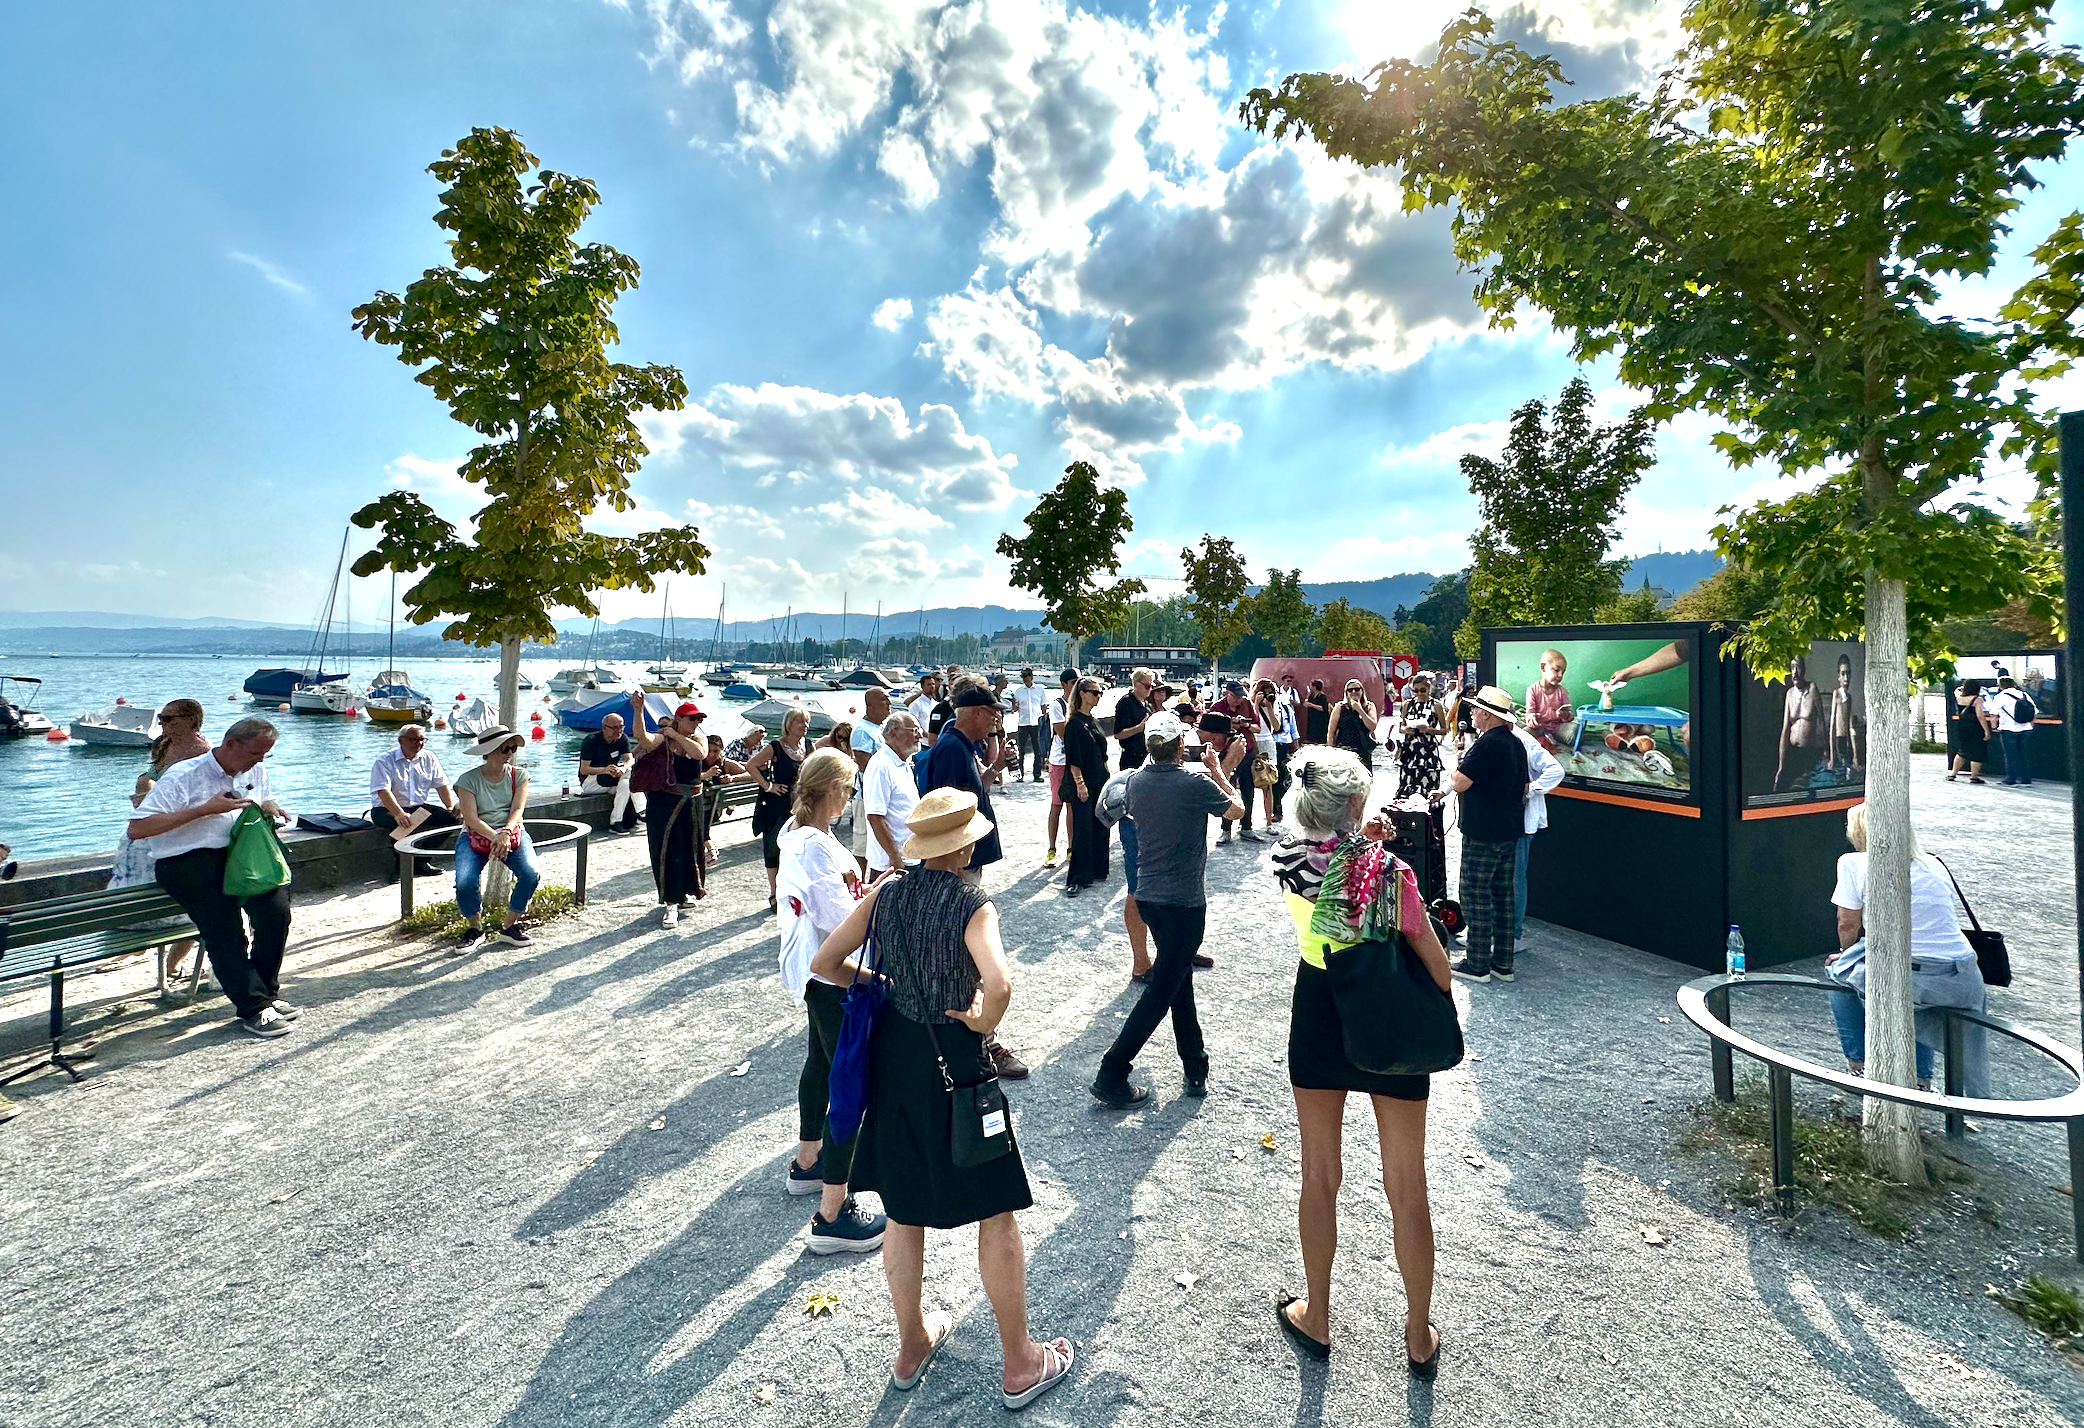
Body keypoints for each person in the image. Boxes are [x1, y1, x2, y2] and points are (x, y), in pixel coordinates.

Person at [810, 791, 1073, 1411]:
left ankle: (912, 1344)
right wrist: (982, 1022)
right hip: (955, 1058)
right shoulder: (972, 904)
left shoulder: (887, 893)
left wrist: (880, 983)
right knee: (996, 1207)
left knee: (903, 1211)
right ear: (964, 844)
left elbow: (826, 962)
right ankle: (1019, 1362)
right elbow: (999, 983)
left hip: (897, 1057)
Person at [1267, 747, 1449, 1377]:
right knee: (1407, 1185)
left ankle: (1316, 1313)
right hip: (1386, 1012)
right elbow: (1434, 963)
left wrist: (1354, 835)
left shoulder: (1286, 858)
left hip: (1320, 1006)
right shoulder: (1389, 872)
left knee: (1319, 1173)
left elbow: (1329, 859)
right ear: (1352, 802)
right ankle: (1417, 1331)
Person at [1090, 713, 1244, 1106]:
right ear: (1180, 746)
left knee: (1178, 980)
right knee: (1163, 989)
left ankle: (1195, 1065)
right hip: (1184, 901)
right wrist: (1218, 769)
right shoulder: (1194, 782)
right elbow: (1237, 811)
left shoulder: (1135, 781)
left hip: (1150, 897)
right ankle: (1112, 1071)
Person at [774, 747, 888, 1254]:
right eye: (849, 788)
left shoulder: (800, 834)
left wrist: (868, 890)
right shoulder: (814, 847)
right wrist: (880, 896)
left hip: (814, 970)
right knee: (849, 1083)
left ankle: (808, 1160)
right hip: (833, 974)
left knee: (820, 1062)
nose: (851, 797)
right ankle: (833, 1213)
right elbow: (840, 920)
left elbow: (835, 904)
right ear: (833, 789)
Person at [129, 717, 295, 1037]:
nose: (259, 761)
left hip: (239, 854)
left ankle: (266, 993)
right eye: (255, 753)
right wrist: (204, 810)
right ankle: (254, 1007)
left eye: (266, 754)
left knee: (276, 914)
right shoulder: (183, 775)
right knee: (226, 931)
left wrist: (268, 805)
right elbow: (138, 828)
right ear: (231, 744)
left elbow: (258, 798)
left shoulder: (254, 769)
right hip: (187, 859)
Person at [1822, 804, 1989, 1096]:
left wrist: (1845, 953)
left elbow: (1847, 923)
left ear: (1859, 833)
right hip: (1962, 974)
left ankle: (1860, 1066)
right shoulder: (1933, 863)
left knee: (1840, 977)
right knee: (1919, 1010)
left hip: (1910, 973)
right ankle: (1921, 1081)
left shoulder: (1854, 862)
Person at [925, 676, 1027, 1080]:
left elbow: (970, 795)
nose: (996, 722)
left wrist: (996, 768)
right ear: (977, 713)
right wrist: (955, 865)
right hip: (958, 864)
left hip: (962, 860)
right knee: (967, 950)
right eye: (993, 715)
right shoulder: (952, 748)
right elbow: (948, 813)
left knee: (961, 948)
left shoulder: (959, 745)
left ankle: (976, 1033)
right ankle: (982, 1039)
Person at [109, 699, 212, 988]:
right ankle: (140, 944)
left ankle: (172, 963)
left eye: (169, 718)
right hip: (151, 823)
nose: (162, 723)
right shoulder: (163, 745)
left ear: (192, 721)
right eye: (162, 718)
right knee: (139, 882)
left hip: (177, 828)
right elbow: (150, 778)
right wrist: (144, 791)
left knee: (182, 897)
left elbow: (198, 796)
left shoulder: (203, 753)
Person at [1448, 687, 1530, 984]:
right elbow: (1525, 788)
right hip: (1508, 830)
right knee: (1502, 898)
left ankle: (1477, 963)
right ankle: (1502, 964)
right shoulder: (1515, 743)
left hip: (1483, 832)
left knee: (1475, 896)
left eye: (1474, 708)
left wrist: (1456, 762)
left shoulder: (1487, 744)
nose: (1471, 712)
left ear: (1486, 713)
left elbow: (1459, 782)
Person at [452, 726, 541, 950]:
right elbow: (471, 818)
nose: (510, 753)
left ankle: (509, 925)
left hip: (511, 831)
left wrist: (506, 833)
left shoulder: (519, 775)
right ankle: (475, 927)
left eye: (513, 748)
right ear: (489, 751)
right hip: (475, 834)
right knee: (464, 881)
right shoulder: (467, 780)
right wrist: (496, 836)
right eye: (505, 748)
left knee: (531, 873)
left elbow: (517, 809)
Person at [632, 701, 712, 928]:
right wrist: (638, 710)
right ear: (679, 719)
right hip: (666, 803)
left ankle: (684, 893)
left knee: (690, 849)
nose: (696, 723)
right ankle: (671, 903)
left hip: (692, 803)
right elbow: (642, 738)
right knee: (668, 851)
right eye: (692, 718)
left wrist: (676, 735)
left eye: (698, 719)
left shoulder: (698, 738)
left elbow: (699, 754)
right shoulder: (663, 740)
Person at [1111, 669, 1157, 970]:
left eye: (1152, 686)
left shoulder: (1146, 704)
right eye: (1147, 685)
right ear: (1136, 684)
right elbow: (1118, 734)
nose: (1150, 689)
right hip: (1131, 765)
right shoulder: (1125, 703)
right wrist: (1141, 728)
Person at [1509, 723, 1566, 959]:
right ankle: (1494, 932)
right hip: (1505, 821)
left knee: (1515, 877)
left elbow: (1556, 770)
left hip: (1522, 822)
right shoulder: (1497, 737)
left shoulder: (1522, 740)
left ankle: (1514, 935)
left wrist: (1530, 789)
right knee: (1501, 877)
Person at [745, 709, 811, 911]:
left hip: (800, 805)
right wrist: (768, 786)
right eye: (800, 721)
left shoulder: (809, 746)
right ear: (789, 724)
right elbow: (751, 765)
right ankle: (775, 893)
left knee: (799, 848)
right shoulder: (775, 747)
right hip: (778, 804)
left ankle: (795, 890)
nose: (804, 726)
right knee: (774, 847)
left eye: (806, 722)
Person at [1061, 677, 1111, 897]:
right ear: (1082, 693)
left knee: (1100, 825)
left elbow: (1102, 753)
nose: (1098, 696)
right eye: (1094, 692)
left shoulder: (1093, 721)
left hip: (1099, 780)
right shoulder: (1074, 723)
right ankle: (1077, 877)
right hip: (1084, 781)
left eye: (1100, 693)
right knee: (1083, 829)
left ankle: (1096, 869)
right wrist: (1080, 784)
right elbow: (1073, 757)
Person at [1204, 680, 1265, 845]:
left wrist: (1245, 724)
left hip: (1247, 752)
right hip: (1227, 754)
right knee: (1227, 789)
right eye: (1236, 696)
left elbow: (1258, 728)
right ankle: (1226, 829)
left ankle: (1246, 827)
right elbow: (1208, 731)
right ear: (1227, 694)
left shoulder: (1246, 704)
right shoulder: (1217, 707)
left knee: (1248, 790)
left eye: (1241, 696)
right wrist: (1230, 723)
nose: (1239, 700)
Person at [370, 723, 459, 835]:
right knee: (406, 825)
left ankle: (428, 845)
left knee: (452, 819)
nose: (419, 743)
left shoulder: (429, 757)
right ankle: (398, 846)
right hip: (385, 809)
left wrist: (450, 807)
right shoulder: (384, 760)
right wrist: (399, 814)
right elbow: (383, 791)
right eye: (413, 740)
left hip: (417, 808)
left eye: (422, 740)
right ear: (400, 741)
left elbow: (441, 785)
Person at [864, 711, 923, 874]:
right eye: (914, 731)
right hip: (891, 863)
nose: (920, 735)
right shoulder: (881, 766)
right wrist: (895, 857)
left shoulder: (903, 762)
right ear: (894, 733)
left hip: (909, 856)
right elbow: (875, 817)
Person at [849, 689, 892, 872]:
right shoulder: (862, 730)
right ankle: (857, 884)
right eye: (884, 700)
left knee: (878, 844)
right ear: (870, 705)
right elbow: (864, 764)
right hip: (866, 796)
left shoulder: (880, 728)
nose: (889, 704)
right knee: (862, 846)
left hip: (880, 795)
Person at [578, 711, 640, 833]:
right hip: (591, 782)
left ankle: (615, 822)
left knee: (626, 784)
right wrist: (605, 770)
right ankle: (642, 811)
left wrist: (622, 768)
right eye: (614, 728)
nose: (619, 731)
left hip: (612, 780)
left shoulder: (622, 738)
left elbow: (630, 759)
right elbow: (584, 769)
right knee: (627, 779)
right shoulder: (591, 740)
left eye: (621, 727)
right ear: (604, 728)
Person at [1394, 675, 1449, 804]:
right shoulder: (1407, 704)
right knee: (1407, 785)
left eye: (1422, 690)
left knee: (1429, 786)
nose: (1419, 694)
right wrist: (1406, 729)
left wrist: (1429, 729)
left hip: (1428, 750)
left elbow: (1444, 730)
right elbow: (1400, 727)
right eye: (1415, 691)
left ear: (1429, 689)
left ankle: (1431, 813)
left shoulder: (1436, 705)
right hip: (1410, 750)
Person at [1775, 655, 1824, 792]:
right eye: (1792, 668)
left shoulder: (1812, 689)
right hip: (1792, 751)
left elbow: (1821, 721)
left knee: (1806, 789)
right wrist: (1781, 766)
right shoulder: (1789, 694)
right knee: (1783, 786)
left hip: (1809, 751)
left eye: (1798, 667)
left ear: (1804, 670)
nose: (1795, 672)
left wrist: (1825, 752)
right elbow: (1785, 729)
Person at [1043, 668, 1076, 866]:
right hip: (1059, 760)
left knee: (1072, 805)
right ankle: (1052, 848)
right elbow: (1063, 733)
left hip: (1074, 760)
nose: (1076, 686)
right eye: (1073, 682)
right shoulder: (1057, 705)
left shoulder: (1079, 704)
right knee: (1057, 804)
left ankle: (1071, 847)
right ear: (1064, 684)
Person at [1523, 649, 1575, 751]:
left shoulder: (1562, 691)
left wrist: (1565, 715)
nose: (1560, 675)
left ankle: (1549, 738)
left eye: (1563, 672)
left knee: (1574, 732)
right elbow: (1529, 715)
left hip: (1558, 728)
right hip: (1539, 728)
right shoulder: (1532, 690)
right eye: (1556, 670)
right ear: (1543, 667)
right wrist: (1533, 718)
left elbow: (1570, 715)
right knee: (1524, 733)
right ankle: (1544, 738)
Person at [1991, 675, 2038, 786]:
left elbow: (1993, 714)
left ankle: (2011, 778)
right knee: (2024, 754)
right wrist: (2030, 726)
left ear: (2000, 685)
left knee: (2010, 754)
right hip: (2025, 728)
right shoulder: (2024, 695)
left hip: (2008, 728)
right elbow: (2034, 712)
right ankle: (2026, 778)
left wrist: (1994, 727)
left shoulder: (2000, 697)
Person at [1327, 678, 1379, 775]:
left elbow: (1372, 726)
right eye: (1350, 690)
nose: (1354, 692)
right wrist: (1331, 750)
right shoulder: (1340, 707)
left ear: (1362, 691)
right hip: (1344, 749)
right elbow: (1331, 731)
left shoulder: (1369, 706)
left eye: (1357, 689)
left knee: (1363, 778)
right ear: (1346, 693)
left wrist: (1359, 709)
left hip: (1363, 749)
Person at [1268, 674, 1302, 825]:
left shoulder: (1286, 709)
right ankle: (1276, 809)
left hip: (1284, 746)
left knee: (1286, 778)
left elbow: (1294, 729)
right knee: (1272, 780)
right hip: (1270, 745)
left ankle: (1278, 803)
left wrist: (1296, 748)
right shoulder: (1263, 709)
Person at [1947, 678, 1990, 784]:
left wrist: (1962, 688)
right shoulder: (1977, 699)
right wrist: (1986, 730)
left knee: (1962, 751)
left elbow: (1957, 690)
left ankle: (1953, 774)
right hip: (1975, 727)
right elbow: (1980, 716)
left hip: (1962, 726)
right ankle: (1974, 777)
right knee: (1977, 751)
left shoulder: (1959, 697)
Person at [1010, 667, 1050, 780]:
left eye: (1026, 676)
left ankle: (1037, 774)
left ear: (1031, 677)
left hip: (1036, 723)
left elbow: (1043, 706)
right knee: (1021, 750)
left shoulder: (1040, 690)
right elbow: (1015, 709)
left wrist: (1044, 720)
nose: (1024, 679)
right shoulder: (1018, 691)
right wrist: (1013, 703)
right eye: (1023, 676)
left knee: (1038, 750)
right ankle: (1020, 775)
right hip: (1023, 723)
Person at [1826, 653, 1863, 773]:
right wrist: (1831, 757)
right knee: (1839, 771)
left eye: (1848, 673)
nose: (1846, 678)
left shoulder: (1849, 697)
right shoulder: (1836, 694)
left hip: (1847, 740)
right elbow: (1832, 725)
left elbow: (1850, 726)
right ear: (1839, 676)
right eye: (1843, 674)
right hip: (1838, 740)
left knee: (1850, 770)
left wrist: (1855, 756)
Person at [1302, 678, 1332, 746]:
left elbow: (1323, 708)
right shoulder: (1311, 696)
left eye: (1311, 685)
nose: (1310, 687)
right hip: (1312, 721)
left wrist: (1311, 705)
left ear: (1314, 687)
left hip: (1320, 721)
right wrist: (1308, 695)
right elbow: (1305, 704)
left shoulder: (1322, 697)